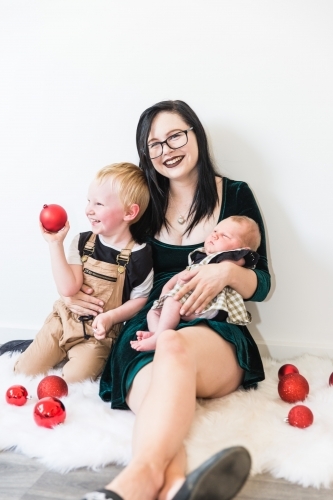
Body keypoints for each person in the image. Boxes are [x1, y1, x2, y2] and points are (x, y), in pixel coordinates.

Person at [59, 100, 270, 500]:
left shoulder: (236, 196)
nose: (166, 150)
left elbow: (262, 282)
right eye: (154, 144)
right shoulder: (143, 202)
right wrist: (76, 296)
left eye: (175, 136)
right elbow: (103, 253)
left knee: (173, 343)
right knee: (161, 396)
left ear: (196, 135)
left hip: (213, 330)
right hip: (145, 330)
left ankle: (129, 486)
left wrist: (224, 271)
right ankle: (173, 487)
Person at [14, 162, 153, 383]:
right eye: (89, 201)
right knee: (25, 371)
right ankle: (56, 350)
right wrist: (55, 244)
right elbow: (69, 288)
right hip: (63, 321)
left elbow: (140, 300)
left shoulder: (139, 255)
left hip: (98, 335)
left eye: (99, 203)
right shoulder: (82, 242)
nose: (89, 209)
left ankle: (74, 360)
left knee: (74, 379)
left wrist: (111, 317)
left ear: (129, 212)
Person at [130, 215, 261, 352]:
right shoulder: (201, 256)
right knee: (153, 312)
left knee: (172, 303)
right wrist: (166, 289)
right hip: (190, 300)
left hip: (210, 304)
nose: (215, 236)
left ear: (242, 250)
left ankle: (158, 338)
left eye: (225, 236)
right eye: (215, 231)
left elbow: (233, 267)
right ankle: (159, 334)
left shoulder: (231, 259)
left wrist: (237, 258)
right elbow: (184, 274)